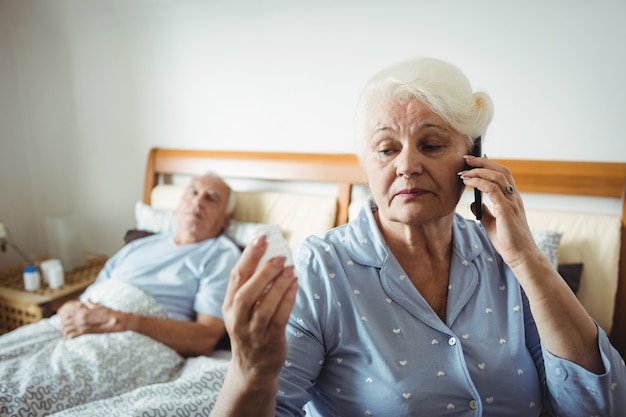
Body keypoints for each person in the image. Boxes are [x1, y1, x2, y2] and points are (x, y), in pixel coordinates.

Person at [211, 58, 626, 416]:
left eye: (430, 144)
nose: (407, 165)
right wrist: (250, 369)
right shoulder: (324, 268)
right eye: (387, 150)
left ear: (473, 156)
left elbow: (599, 405)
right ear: (367, 168)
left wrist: (528, 260)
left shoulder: (506, 259)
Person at [57, 171, 241, 357]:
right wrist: (69, 309)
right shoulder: (138, 246)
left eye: (211, 198)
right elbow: (89, 296)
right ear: (179, 205)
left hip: (131, 341)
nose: (197, 202)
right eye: (192, 192)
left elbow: (205, 338)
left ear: (225, 218)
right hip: (77, 326)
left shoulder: (221, 255)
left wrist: (122, 321)